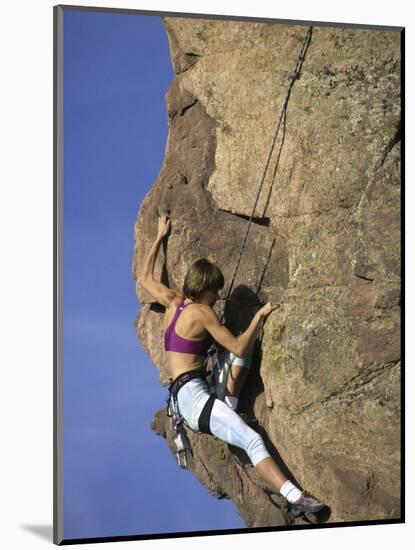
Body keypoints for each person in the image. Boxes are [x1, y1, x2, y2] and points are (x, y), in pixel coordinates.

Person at [138, 214, 327, 521]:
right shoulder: (202, 313)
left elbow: (145, 278)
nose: (218, 297)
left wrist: (160, 236)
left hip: (192, 393)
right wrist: (260, 316)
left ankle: (229, 406)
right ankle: (295, 499)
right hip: (194, 400)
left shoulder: (174, 302)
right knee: (251, 438)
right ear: (204, 290)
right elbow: (238, 346)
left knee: (238, 359)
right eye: (215, 292)